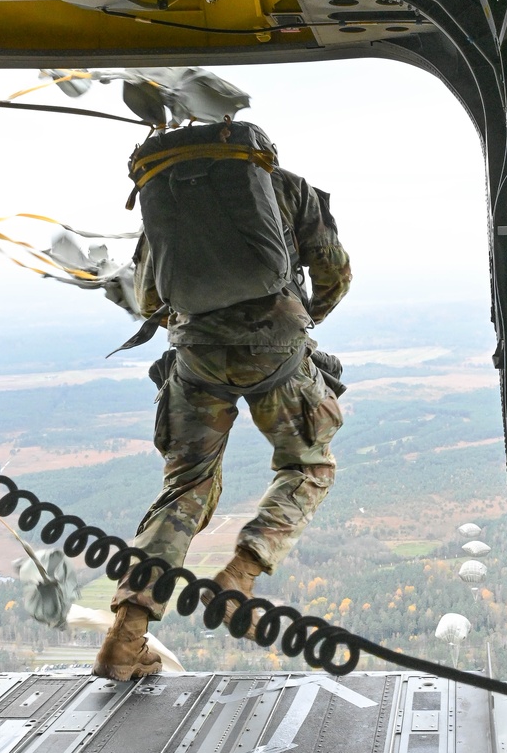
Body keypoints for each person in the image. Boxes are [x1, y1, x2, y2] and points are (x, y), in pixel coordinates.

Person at [93, 134, 351, 681]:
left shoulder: (169, 209)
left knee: (184, 489)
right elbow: (334, 272)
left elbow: (147, 299)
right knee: (307, 467)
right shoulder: (288, 190)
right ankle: (240, 574)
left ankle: (126, 637)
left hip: (196, 359)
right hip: (277, 351)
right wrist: (299, 324)